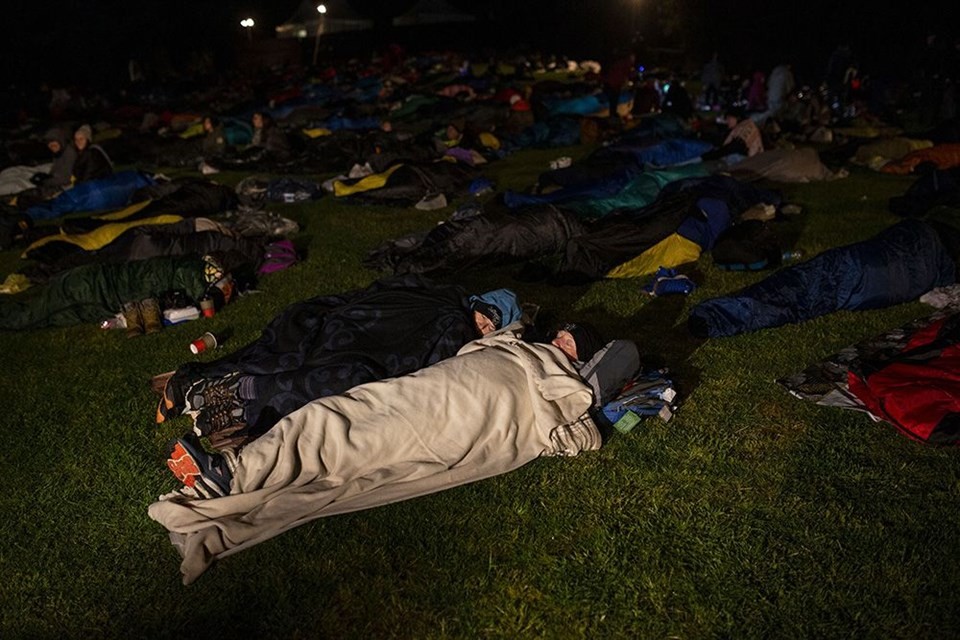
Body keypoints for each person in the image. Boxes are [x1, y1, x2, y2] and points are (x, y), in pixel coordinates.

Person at [152, 325, 614, 583]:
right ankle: (239, 470)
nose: (560, 337)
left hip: (463, 415)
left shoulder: (561, 383)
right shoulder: (518, 346)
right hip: (435, 387)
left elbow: (569, 432)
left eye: (571, 340)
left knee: (347, 435)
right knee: (344, 412)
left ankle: (235, 474)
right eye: (562, 332)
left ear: (578, 359)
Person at [155, 277, 523, 450]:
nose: (482, 327)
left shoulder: (448, 307)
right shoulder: (450, 312)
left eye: (491, 327)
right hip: (353, 332)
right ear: (475, 303)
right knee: (340, 378)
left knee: (325, 373)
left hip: (353, 334)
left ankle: (223, 398)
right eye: (484, 317)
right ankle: (236, 397)